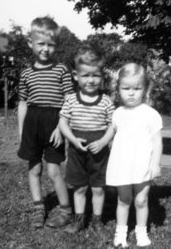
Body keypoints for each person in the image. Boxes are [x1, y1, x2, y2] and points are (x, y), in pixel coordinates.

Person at [17, 16, 74, 229]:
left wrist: (62, 127)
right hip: (32, 123)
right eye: (41, 43)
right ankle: (38, 208)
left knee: (53, 171)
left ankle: (66, 209)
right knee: (34, 169)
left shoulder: (61, 70)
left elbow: (69, 101)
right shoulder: (26, 73)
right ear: (31, 43)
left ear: (56, 46)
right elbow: (23, 104)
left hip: (54, 124)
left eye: (51, 44)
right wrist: (22, 131)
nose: (46, 49)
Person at [58, 45, 115, 235]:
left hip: (99, 152)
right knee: (80, 188)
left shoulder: (106, 101)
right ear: (76, 75)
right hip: (77, 151)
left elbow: (112, 125)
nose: (90, 80)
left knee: (98, 189)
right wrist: (73, 140)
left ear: (102, 76)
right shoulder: (71, 100)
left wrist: (103, 141)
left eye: (95, 75)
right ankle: (79, 220)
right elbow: (63, 123)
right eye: (85, 75)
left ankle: (97, 220)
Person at [106, 63, 163, 248]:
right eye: (126, 88)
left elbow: (157, 141)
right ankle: (120, 233)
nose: (131, 93)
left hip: (142, 164)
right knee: (123, 199)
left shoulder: (151, 114)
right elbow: (111, 135)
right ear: (118, 89)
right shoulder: (117, 114)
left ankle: (141, 231)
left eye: (137, 88)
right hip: (122, 164)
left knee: (141, 199)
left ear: (145, 89)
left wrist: (155, 164)